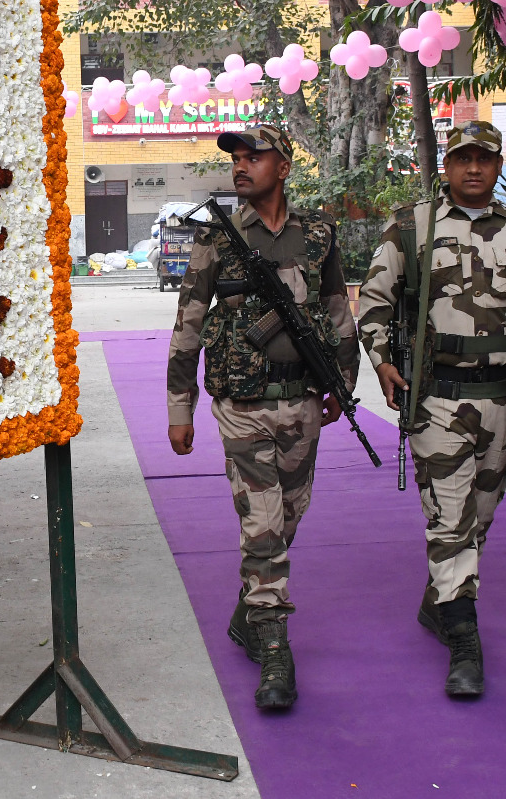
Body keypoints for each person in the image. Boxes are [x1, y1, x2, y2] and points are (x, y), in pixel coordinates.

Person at [166, 125, 359, 711]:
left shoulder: (318, 234)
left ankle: (249, 610)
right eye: (237, 159)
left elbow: (336, 312)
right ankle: (275, 650)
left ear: (284, 167)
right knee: (263, 524)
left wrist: (342, 384)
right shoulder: (216, 238)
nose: (241, 166)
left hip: (303, 400)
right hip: (241, 406)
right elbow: (188, 323)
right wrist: (180, 407)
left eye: (255, 157)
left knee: (289, 514)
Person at [356, 121, 506, 697]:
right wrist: (383, 362)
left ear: (498, 164)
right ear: (448, 166)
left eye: (485, 158)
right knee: (449, 519)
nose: (474, 168)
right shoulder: (413, 226)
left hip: (502, 396)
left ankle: (441, 602)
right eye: (463, 159)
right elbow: (374, 302)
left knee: (480, 516)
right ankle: (463, 639)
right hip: (437, 396)